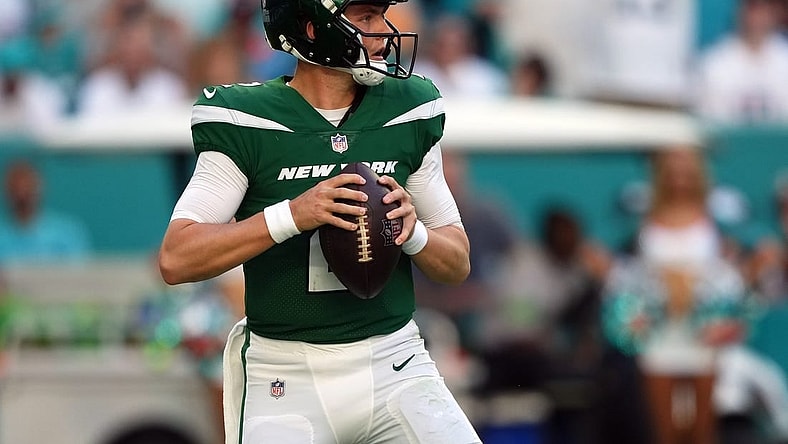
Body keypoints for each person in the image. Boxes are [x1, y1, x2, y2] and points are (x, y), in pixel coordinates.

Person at [157, 0, 481, 443]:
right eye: (366, 17)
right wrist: (291, 215)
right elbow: (176, 258)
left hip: (396, 362)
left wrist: (414, 232)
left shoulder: (408, 109)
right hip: (287, 376)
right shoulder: (246, 119)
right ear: (313, 28)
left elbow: (457, 263)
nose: (385, 31)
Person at [694, 0, 788, 124]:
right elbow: (710, 124)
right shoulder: (714, 64)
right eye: (753, 9)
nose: (757, 18)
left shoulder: (784, 59)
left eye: (763, 10)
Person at [0, 160, 91, 265]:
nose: (22, 192)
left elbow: (80, 275)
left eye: (28, 185)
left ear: (39, 187)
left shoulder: (67, 233)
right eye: (15, 186)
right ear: (6, 190)